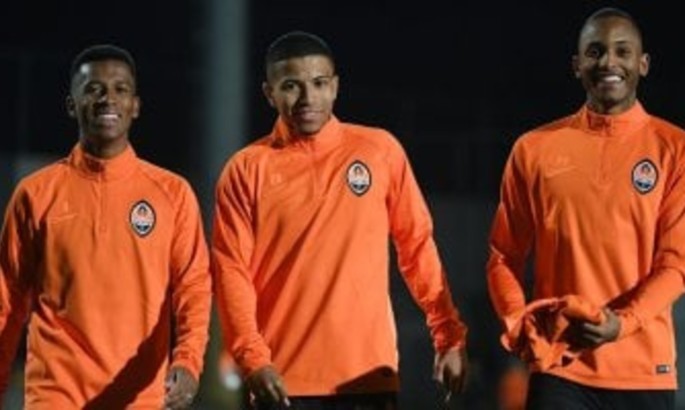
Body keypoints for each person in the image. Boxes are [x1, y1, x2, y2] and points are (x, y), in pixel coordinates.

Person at [211, 31, 468, 409]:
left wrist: (448, 336)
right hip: (280, 380)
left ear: (335, 87)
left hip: (367, 375)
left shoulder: (379, 150)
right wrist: (253, 359)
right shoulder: (246, 169)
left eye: (318, 83)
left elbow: (417, 247)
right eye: (291, 86)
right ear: (269, 93)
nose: (307, 98)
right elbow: (231, 272)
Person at [487, 7, 685, 410]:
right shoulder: (534, 149)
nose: (609, 62)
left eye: (622, 51)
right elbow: (503, 257)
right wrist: (516, 319)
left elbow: (676, 263)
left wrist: (621, 324)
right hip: (560, 370)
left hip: (644, 371)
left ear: (643, 64)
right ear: (577, 65)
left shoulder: (674, 148)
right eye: (595, 52)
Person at [0, 44, 212, 409]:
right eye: (93, 89)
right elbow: (7, 300)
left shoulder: (172, 193)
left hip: (140, 396)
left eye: (120, 89)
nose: (107, 99)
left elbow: (193, 287)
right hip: (55, 394)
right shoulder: (35, 193)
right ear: (72, 105)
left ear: (135, 106)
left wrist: (188, 361)